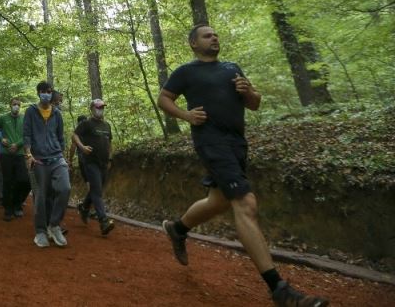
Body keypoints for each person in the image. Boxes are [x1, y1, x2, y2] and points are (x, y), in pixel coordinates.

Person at [157, 25, 328, 307]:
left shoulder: (231, 67)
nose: (214, 38)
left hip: (237, 143)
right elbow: (164, 98)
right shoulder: (186, 72)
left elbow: (255, 104)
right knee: (244, 202)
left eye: (216, 35)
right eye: (207, 36)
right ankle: (280, 290)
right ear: (193, 44)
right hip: (211, 142)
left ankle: (177, 229)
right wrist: (186, 115)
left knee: (219, 200)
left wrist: (248, 91)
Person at [23, 81, 70, 248]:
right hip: (39, 160)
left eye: (49, 91)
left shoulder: (57, 113)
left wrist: (63, 155)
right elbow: (26, 136)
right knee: (41, 196)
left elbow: (61, 137)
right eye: (43, 91)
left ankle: (54, 225)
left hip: (56, 157)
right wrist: (29, 155)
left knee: (65, 188)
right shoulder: (30, 112)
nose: (46, 94)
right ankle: (41, 231)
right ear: (38, 93)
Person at [71, 99, 115, 236]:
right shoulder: (86, 124)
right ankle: (103, 221)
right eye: (97, 107)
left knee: (97, 188)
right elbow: (74, 135)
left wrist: (110, 158)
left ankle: (84, 207)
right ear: (91, 108)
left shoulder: (107, 125)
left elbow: (110, 143)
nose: (100, 109)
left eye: (102, 107)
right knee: (97, 191)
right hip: (90, 162)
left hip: (103, 163)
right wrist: (82, 147)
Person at [0, 97, 30, 221]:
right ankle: (8, 209)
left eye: (18, 104)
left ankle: (17, 204)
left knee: (24, 180)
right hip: (5, 154)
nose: (16, 106)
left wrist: (17, 145)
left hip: (19, 153)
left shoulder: (24, 118)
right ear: (10, 105)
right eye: (14, 104)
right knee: (7, 181)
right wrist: (1, 140)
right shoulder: (3, 118)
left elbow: (28, 135)